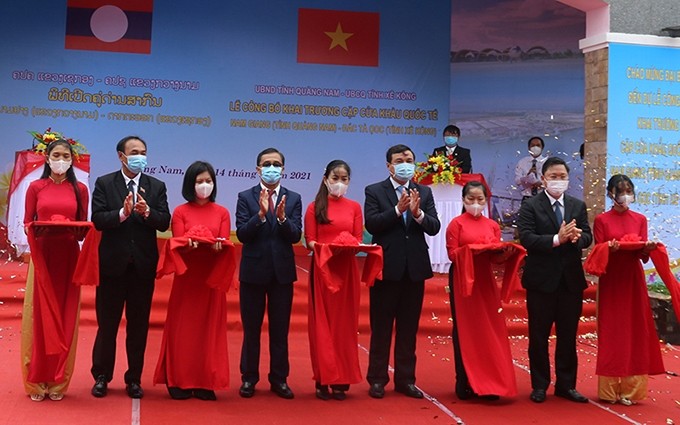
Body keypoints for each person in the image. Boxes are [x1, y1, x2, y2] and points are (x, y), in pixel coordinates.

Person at [90, 136, 171, 399]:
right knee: (107, 325)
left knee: (138, 326)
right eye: (134, 152)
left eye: (143, 152)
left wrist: (147, 212)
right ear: (121, 156)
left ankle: (134, 378)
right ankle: (102, 376)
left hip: (142, 268)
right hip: (112, 266)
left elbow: (164, 222)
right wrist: (122, 214)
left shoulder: (156, 186)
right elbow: (98, 220)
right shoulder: (105, 183)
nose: (140, 156)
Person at [364, 144, 441, 399]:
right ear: (389, 165)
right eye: (400, 160)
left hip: (414, 269)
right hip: (386, 268)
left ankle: (406, 380)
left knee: (408, 328)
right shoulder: (375, 191)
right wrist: (398, 210)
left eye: (409, 159)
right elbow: (373, 223)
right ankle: (377, 379)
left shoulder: (424, 192)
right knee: (382, 326)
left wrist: (418, 214)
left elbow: (434, 227)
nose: (405, 163)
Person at [153, 161, 233, 401]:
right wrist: (188, 244)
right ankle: (178, 380)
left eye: (208, 181)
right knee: (183, 330)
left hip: (210, 279)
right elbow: (178, 242)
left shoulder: (222, 212)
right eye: (199, 181)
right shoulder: (180, 211)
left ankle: (205, 380)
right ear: (190, 184)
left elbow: (224, 243)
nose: (204, 185)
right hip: (187, 277)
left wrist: (219, 247)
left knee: (209, 329)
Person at [517, 156, 592, 403]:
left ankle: (566, 385)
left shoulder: (577, 205)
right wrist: (557, 239)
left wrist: (577, 238)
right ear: (543, 178)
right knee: (538, 335)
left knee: (568, 336)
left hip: (570, 280)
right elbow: (526, 238)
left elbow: (587, 237)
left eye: (562, 177)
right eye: (554, 177)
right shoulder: (531, 205)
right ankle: (540, 385)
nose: (558, 181)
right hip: (541, 280)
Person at [21, 139, 89, 401]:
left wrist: (72, 227)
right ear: (47, 158)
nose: (61, 160)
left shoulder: (79, 189)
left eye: (66, 155)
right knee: (39, 316)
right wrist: (43, 227)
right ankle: (37, 381)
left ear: (72, 160)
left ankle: (59, 382)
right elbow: (29, 222)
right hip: (43, 255)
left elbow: (82, 229)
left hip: (69, 256)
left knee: (65, 315)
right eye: (56, 155)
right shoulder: (35, 187)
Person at [446, 181, 524, 401]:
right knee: (465, 329)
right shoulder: (456, 224)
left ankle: (490, 382)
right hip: (463, 278)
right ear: (463, 200)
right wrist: (473, 251)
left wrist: (506, 254)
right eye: (471, 199)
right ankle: (465, 381)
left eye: (480, 200)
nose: (476, 204)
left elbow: (495, 257)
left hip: (485, 280)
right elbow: (453, 255)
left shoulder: (492, 225)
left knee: (489, 328)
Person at [236, 147, 302, 399]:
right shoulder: (245, 196)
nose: (271, 168)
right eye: (267, 164)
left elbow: (296, 235)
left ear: (283, 169)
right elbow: (242, 234)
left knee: (279, 329)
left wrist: (283, 219)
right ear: (258, 169)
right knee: (251, 329)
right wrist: (261, 216)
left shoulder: (293, 198)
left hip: (282, 274)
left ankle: (279, 379)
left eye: (276, 164)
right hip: (253, 272)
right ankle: (249, 378)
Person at [592, 174, 663, 405]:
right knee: (612, 330)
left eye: (628, 190)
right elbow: (598, 250)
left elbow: (641, 254)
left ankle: (632, 390)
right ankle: (609, 390)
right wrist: (609, 249)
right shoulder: (602, 220)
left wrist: (648, 248)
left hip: (633, 280)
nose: (624, 194)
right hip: (612, 280)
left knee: (635, 330)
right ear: (610, 193)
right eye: (620, 190)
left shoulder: (640, 219)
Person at [304, 160, 364, 401]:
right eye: (335, 177)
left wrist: (348, 247)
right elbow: (309, 240)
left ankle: (342, 379)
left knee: (344, 327)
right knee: (322, 326)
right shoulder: (314, 207)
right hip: (323, 270)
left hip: (347, 270)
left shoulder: (354, 207)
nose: (339, 183)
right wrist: (328, 248)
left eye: (344, 179)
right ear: (325, 178)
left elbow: (358, 239)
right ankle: (322, 377)